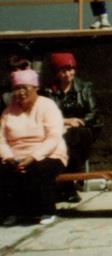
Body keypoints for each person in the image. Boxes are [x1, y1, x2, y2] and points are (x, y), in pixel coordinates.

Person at [0, 69, 68, 226]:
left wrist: (33, 157)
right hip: (15, 156)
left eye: (25, 88)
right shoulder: (8, 112)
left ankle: (47, 210)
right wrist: (8, 157)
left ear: (36, 88)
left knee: (39, 170)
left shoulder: (47, 106)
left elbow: (53, 137)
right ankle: (12, 212)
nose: (20, 92)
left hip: (49, 154)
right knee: (4, 171)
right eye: (17, 88)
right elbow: (1, 140)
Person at [42, 53, 100, 203]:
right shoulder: (48, 91)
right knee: (63, 139)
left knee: (74, 136)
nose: (68, 74)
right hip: (58, 128)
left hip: (83, 128)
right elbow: (45, 114)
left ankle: (66, 185)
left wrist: (78, 122)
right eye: (63, 71)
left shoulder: (85, 87)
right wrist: (66, 122)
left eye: (70, 70)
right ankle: (68, 187)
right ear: (56, 72)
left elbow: (93, 112)